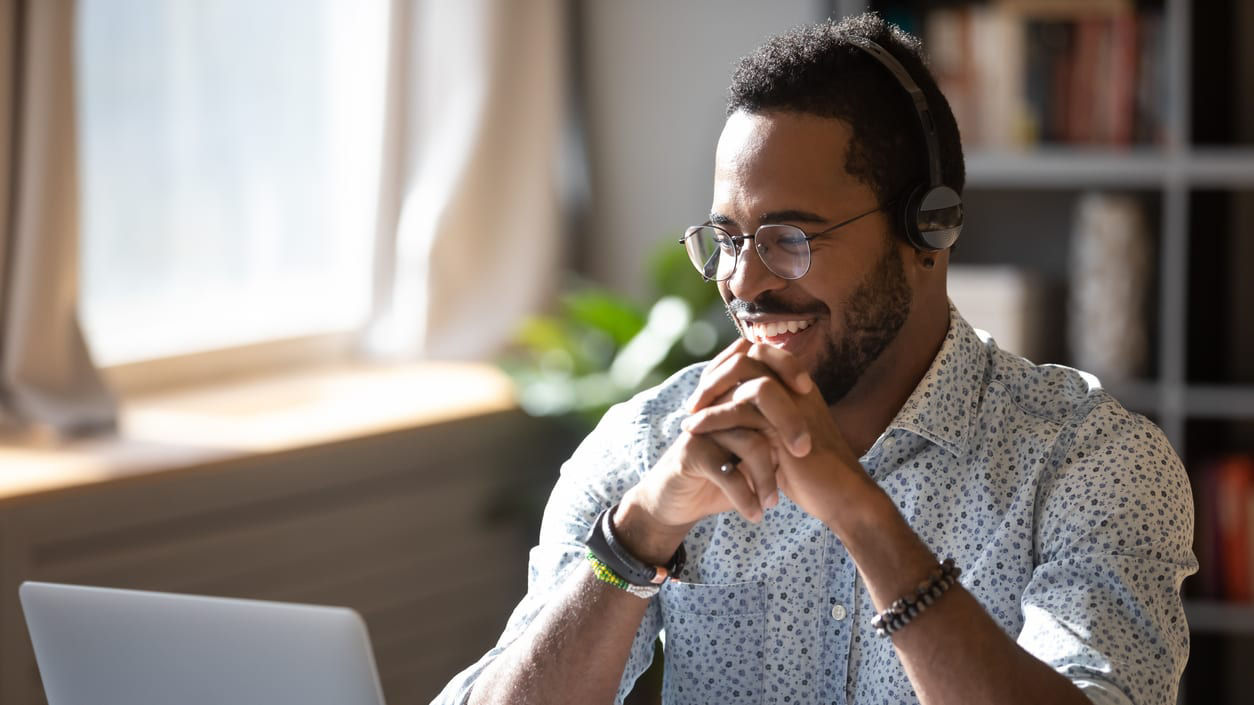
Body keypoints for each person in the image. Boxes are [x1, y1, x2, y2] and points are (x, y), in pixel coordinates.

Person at [433, 13, 1196, 705]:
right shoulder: (651, 444)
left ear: (929, 230)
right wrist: (636, 535)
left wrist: (863, 517)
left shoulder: (1092, 463)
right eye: (728, 239)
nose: (743, 281)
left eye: (790, 239)